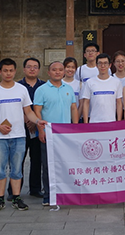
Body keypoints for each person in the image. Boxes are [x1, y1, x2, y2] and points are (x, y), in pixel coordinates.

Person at [0, 58, 47, 212]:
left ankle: (17, 198)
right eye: (5, 70)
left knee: (16, 169)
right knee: (0, 169)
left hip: (18, 136)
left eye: (11, 70)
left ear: (15, 71)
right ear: (0, 72)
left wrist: (38, 121)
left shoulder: (21, 89)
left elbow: (28, 111)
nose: (8, 73)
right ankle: (0, 199)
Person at [33, 61, 79, 208]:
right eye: (54, 70)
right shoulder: (41, 90)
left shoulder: (69, 89)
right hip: (49, 133)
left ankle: (66, 192)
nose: (57, 72)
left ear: (64, 72)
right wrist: (41, 130)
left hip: (66, 134)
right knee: (48, 165)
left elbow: (73, 108)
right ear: (49, 72)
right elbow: (37, 111)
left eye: (60, 70)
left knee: (67, 164)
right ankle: (48, 195)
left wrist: (75, 128)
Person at [10, 58, 45, 200]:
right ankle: (13, 190)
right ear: (24, 69)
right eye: (29, 67)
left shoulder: (44, 86)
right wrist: (27, 118)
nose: (32, 69)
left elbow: (44, 106)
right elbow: (14, 106)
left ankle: (35, 188)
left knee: (37, 159)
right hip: (20, 127)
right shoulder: (16, 86)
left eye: (35, 67)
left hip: (38, 127)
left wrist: (36, 121)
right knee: (17, 159)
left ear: (39, 69)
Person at [81, 53, 123, 123]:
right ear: (96, 65)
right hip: (94, 122)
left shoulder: (116, 82)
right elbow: (86, 103)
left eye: (105, 63)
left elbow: (119, 103)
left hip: (111, 122)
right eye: (100, 63)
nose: (102, 66)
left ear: (110, 65)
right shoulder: (90, 82)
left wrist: (118, 122)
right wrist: (86, 123)